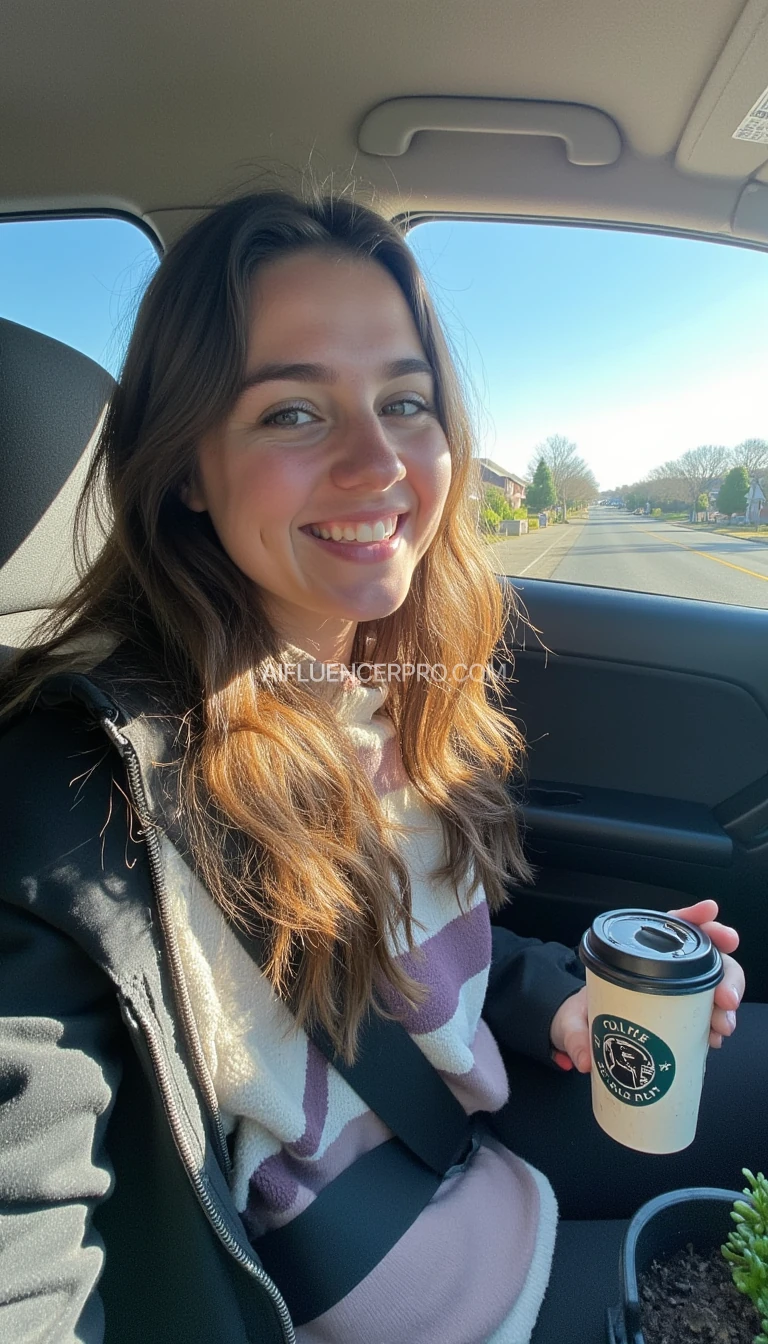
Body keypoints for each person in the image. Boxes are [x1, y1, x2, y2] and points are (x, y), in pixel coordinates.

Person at [0, 191, 754, 1344]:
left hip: (476, 1161)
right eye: (294, 412)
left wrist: (572, 1002)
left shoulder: (378, 686)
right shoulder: (66, 805)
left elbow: (417, 963)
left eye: (407, 401)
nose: (379, 460)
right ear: (189, 468)